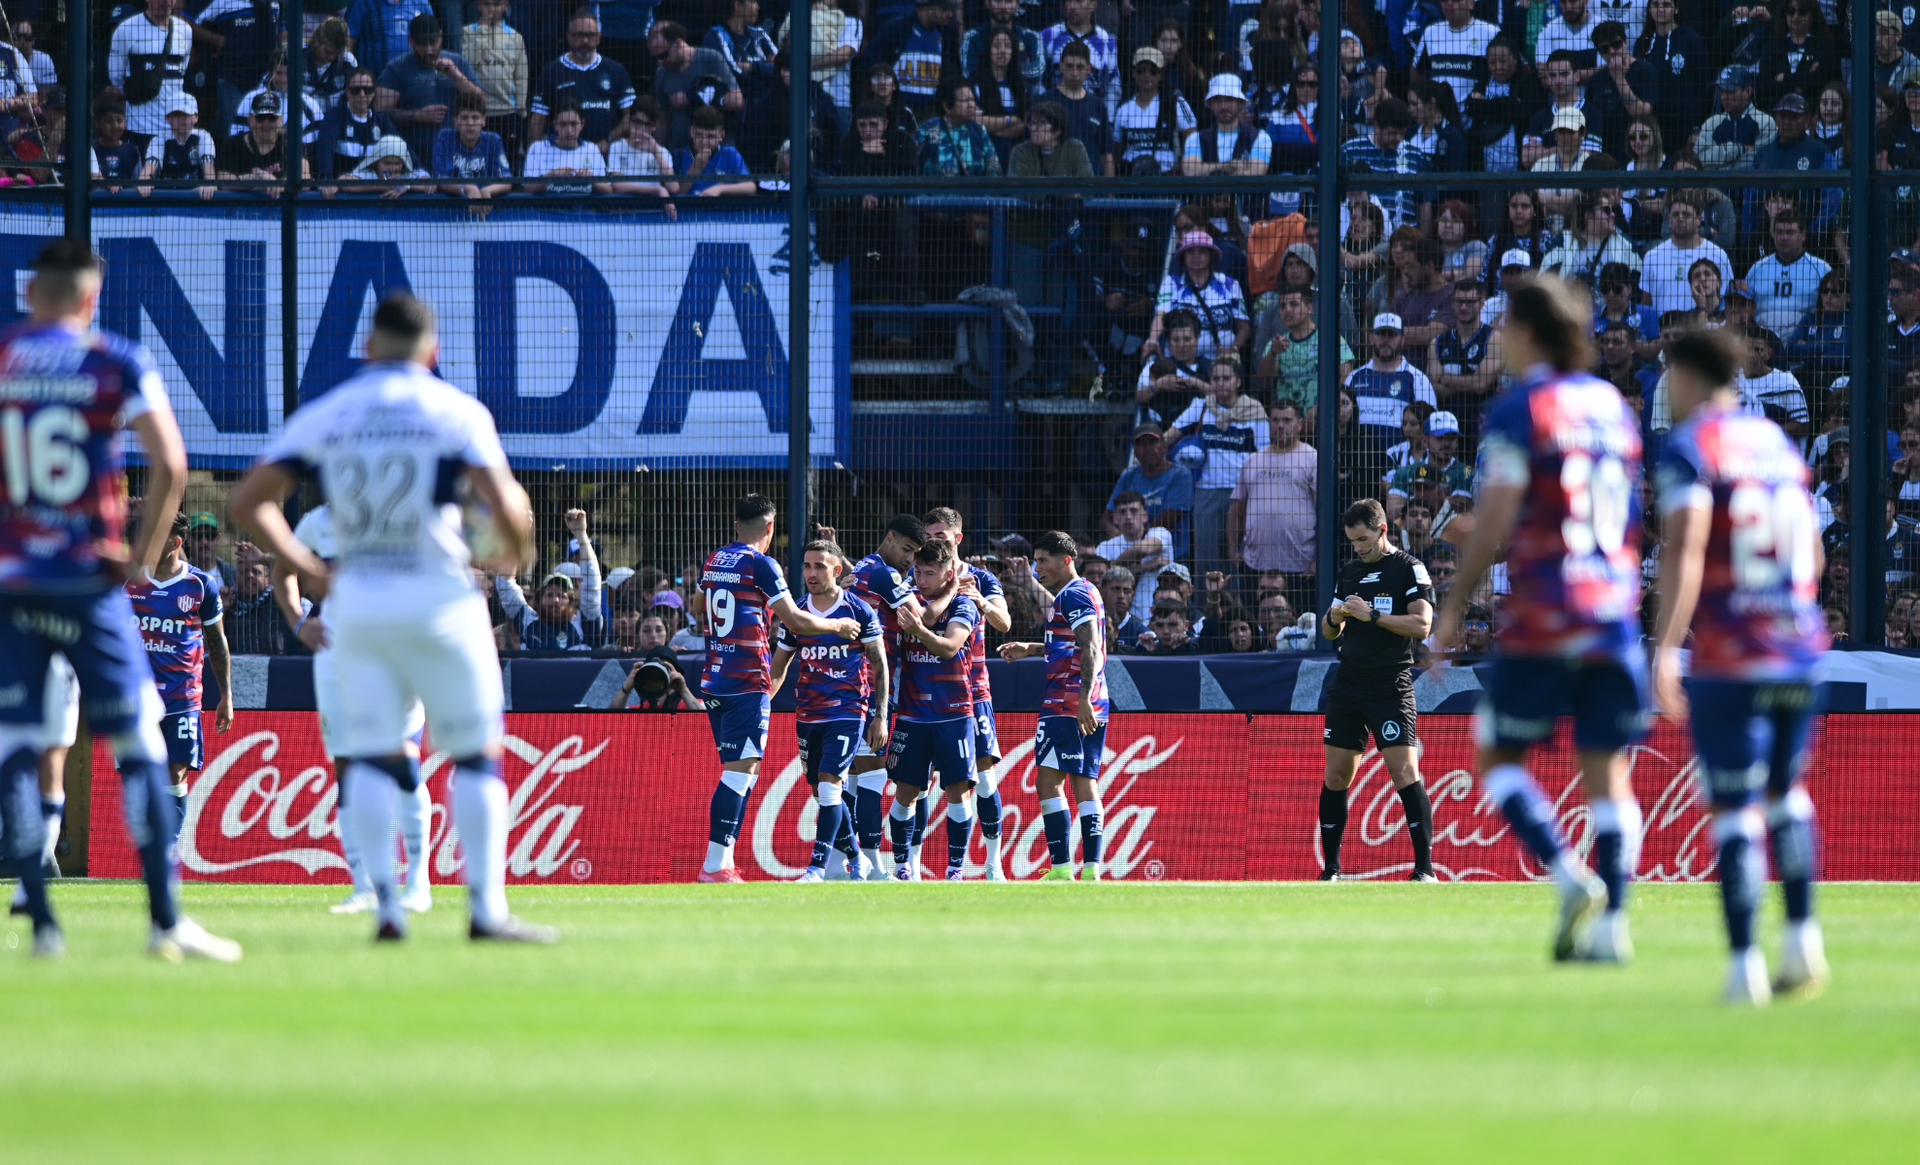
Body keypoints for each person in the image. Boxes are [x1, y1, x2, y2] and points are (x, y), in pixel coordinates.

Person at [231, 292, 552, 944]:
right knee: (476, 754)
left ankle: (384, 908)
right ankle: (486, 910)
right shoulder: (455, 410)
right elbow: (510, 510)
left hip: (358, 605)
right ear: (431, 350)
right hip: (438, 596)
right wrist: (512, 552)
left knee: (373, 759)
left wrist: (308, 567)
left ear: (369, 347)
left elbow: (249, 501)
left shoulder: (330, 412)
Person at [0, 240, 238, 960]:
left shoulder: (6, 356)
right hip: (88, 575)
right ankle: (165, 919)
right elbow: (170, 461)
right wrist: (137, 560)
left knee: (19, 738)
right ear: (89, 297)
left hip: (16, 579)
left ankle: (39, 921)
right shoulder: (114, 358)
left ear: (31, 290)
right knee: (140, 738)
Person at [1433, 275, 1647, 964]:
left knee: (1496, 753)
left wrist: (1452, 607)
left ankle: (1565, 872)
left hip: (1547, 612)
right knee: (1609, 774)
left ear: (1526, 332)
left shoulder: (1519, 405)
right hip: (1613, 610)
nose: (1497, 337)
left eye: (1502, 326)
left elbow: (1495, 514)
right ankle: (1614, 926)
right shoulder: (1612, 405)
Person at [1650, 327, 1830, 1003]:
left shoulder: (1692, 448)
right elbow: (1810, 554)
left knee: (1733, 808)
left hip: (1732, 655)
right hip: (1797, 647)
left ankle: (1743, 966)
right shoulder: (1778, 446)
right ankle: (1803, 939)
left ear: (1690, 377)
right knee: (1787, 795)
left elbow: (1686, 549)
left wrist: (1667, 645)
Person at [271, 503, 435, 916]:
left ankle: (418, 882)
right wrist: (297, 621)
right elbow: (282, 570)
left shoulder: (408, 509)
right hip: (336, 657)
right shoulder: (317, 521)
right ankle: (364, 885)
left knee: (403, 758)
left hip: (397, 651)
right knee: (347, 769)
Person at [1318, 498, 1437, 882]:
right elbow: (1329, 632)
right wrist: (1333, 618)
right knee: (1336, 776)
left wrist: (1372, 615)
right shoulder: (1350, 571)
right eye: (1352, 541)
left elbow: (1422, 626)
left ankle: (1424, 871)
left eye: (1364, 540)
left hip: (1390, 684)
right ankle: (1330, 871)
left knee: (1403, 770)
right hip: (1349, 683)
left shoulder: (1408, 568)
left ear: (1383, 531)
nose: (1358, 548)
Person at [768, 540, 887, 883]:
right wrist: (763, 703)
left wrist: (879, 716)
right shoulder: (796, 614)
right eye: (807, 566)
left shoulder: (859, 610)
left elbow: (880, 665)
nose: (811, 573)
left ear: (837, 570)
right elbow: (779, 668)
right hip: (808, 714)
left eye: (819, 566)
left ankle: (816, 869)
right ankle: (855, 857)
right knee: (821, 792)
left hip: (848, 711)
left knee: (831, 786)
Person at [996, 531, 1107, 880]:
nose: (1037, 567)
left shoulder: (1072, 595)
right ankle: (1091, 869)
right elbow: (1072, 645)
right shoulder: (1085, 591)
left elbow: (1090, 648)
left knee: (1049, 783)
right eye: (1036, 559)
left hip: (1068, 702)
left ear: (1066, 561)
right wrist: (1030, 648)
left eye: (1044, 560)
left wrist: (1082, 699)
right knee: (1085, 781)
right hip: (1090, 700)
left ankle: (1062, 868)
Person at [124, 508, 232, 843]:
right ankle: (150, 844)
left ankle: (166, 851)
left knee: (175, 773)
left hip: (182, 697)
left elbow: (217, 643)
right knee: (140, 777)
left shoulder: (200, 586)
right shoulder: (126, 582)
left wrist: (226, 695)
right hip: (135, 699)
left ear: (175, 542)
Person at [922, 508, 1013, 879]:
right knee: (919, 786)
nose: (934, 543)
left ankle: (993, 863)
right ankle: (912, 866)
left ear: (957, 539)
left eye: (942, 537)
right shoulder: (918, 576)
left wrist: (982, 601)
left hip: (972, 692)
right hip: (923, 694)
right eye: (930, 536)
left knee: (985, 781)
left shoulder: (980, 578)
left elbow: (1004, 623)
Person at [883, 538, 980, 881]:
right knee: (906, 792)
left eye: (929, 573)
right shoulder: (908, 601)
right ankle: (901, 867)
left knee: (957, 791)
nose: (921, 580)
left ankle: (955, 869)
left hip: (954, 713)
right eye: (917, 572)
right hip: (911, 715)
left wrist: (920, 631)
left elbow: (950, 647)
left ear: (948, 573)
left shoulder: (965, 605)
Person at [845, 515, 929, 878]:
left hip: (845, 684)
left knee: (846, 779)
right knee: (872, 775)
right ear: (890, 538)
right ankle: (871, 865)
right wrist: (951, 590)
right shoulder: (885, 574)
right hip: (870, 684)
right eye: (907, 549)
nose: (911, 559)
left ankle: (839, 863)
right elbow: (919, 617)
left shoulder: (863, 568)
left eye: (916, 553)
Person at [1166, 356, 1268, 582]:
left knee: (1240, 556)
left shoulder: (1255, 411)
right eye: (1216, 378)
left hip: (1243, 494)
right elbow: (1170, 436)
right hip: (1206, 491)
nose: (1221, 383)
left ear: (1238, 381)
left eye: (1226, 378)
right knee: (1206, 556)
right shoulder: (1200, 406)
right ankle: (1206, 610)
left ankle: (1237, 611)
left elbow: (1265, 455)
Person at [1229, 398, 1317, 603]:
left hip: (1300, 566)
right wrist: (1233, 551)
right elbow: (1237, 508)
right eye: (1275, 420)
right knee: (1256, 627)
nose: (1280, 425)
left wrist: (1317, 560)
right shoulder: (1253, 460)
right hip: (1256, 565)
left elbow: (1324, 512)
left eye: (1287, 420)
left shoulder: (1312, 458)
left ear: (1300, 424)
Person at [374, 14, 485, 167]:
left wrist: (456, 75)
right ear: (410, 41)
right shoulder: (397, 68)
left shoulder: (458, 62)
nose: (428, 50)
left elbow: (482, 102)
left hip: (456, 156)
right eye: (422, 44)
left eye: (432, 42)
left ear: (441, 37)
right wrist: (417, 116)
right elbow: (379, 113)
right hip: (413, 158)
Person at [528, 9, 636, 150]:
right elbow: (538, 120)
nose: (585, 41)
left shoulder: (616, 70)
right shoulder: (551, 71)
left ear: (599, 38)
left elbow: (631, 117)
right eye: (579, 35)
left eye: (590, 35)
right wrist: (532, 156)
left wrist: (607, 142)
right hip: (562, 152)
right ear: (568, 37)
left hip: (607, 152)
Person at [1147, 231, 1250, 363]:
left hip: (1219, 365)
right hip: (1179, 363)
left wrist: (1233, 350)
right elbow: (1160, 315)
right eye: (1190, 251)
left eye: (1202, 251)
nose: (1196, 255)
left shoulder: (1230, 284)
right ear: (1183, 256)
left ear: (1210, 256)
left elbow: (1244, 327)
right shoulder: (1171, 283)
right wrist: (1152, 339)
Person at [107, 0, 192, 151]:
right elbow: (116, 76)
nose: (166, 2)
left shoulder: (185, 30)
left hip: (173, 132)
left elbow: (182, 71)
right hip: (139, 128)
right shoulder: (126, 29)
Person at [648, 21, 742, 152]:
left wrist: (692, 96)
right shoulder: (661, 73)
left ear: (678, 43)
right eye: (656, 58)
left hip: (718, 150)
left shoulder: (710, 58)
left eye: (663, 55)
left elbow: (737, 100)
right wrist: (659, 151)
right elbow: (664, 119)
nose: (660, 62)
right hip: (680, 151)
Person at [1340, 96, 1425, 232]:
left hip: (1404, 238)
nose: (1398, 138)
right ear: (1377, 125)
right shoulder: (1350, 150)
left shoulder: (1415, 155)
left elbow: (1424, 203)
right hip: (1360, 236)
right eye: (1392, 133)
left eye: (1402, 133)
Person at [871, 0, 960, 122]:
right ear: (925, 8)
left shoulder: (945, 35)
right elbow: (870, 63)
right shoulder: (897, 28)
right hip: (897, 113)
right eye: (945, 10)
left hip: (930, 114)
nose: (950, 14)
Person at [1097, 487, 1176, 625]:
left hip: (1157, 620)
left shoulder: (1160, 533)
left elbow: (1143, 549)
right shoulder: (1105, 547)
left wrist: (1115, 566)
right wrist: (1145, 566)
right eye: (1122, 512)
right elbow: (1103, 579)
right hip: (1116, 622)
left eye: (1133, 511)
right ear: (1115, 519)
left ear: (1145, 516)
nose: (1128, 516)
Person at [1110, 46, 1194, 176]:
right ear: (1134, 73)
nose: (1146, 76)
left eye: (1153, 71)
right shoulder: (1123, 109)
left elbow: (1192, 139)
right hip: (1131, 181)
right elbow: (1116, 151)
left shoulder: (1176, 103)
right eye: (1141, 70)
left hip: (1166, 180)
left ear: (1161, 74)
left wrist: (1180, 166)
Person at [1643, 199, 1733, 317]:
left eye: (1687, 215)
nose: (1680, 219)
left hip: (1703, 331)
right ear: (1669, 220)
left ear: (1699, 220)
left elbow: (1726, 300)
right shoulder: (1652, 256)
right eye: (1675, 215)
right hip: (1664, 332)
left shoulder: (1718, 255)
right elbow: (1646, 305)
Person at [462, 0, 529, 156]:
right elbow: (469, 63)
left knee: (507, 161)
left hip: (507, 112)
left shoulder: (515, 37)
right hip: (476, 112)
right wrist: (483, 29)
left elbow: (521, 76)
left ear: (506, 6)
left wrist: (520, 107)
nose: (492, 9)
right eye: (486, 4)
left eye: (497, 4)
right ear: (478, 5)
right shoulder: (467, 32)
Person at [315, 67, 401, 184]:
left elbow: (402, 149)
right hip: (342, 188)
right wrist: (326, 181)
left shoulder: (382, 119)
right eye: (356, 90)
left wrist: (421, 173)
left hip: (375, 187)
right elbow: (324, 151)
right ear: (347, 91)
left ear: (374, 92)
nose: (362, 94)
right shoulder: (334, 116)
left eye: (367, 90)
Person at [1413, 0, 1500, 111]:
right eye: (1444, 0)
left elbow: (1516, 66)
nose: (1449, 3)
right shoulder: (1430, 33)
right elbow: (1416, 70)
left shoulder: (1491, 33)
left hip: (1477, 117)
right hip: (1439, 118)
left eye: (1456, 0)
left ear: (1471, 3)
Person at [215, 91, 307, 194]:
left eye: (272, 118)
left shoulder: (292, 142)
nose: (266, 124)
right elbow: (224, 181)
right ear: (250, 119)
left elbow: (305, 176)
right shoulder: (232, 144)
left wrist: (280, 185)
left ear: (280, 119)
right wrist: (258, 178)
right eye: (260, 118)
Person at [1039, 0, 1118, 115]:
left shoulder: (1107, 42)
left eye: (1078, 2)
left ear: (1093, 4)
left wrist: (1107, 119)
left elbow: (1113, 86)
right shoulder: (1048, 36)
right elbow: (1037, 81)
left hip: (1090, 117)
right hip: (1053, 115)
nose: (1072, 6)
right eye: (1068, 1)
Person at [434, 91, 514, 199]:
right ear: (455, 121)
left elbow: (506, 181)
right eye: (464, 117)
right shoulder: (445, 138)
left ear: (484, 120)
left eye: (475, 117)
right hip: (453, 207)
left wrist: (487, 191)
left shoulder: (493, 140)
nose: (470, 123)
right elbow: (441, 179)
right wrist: (468, 189)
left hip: (487, 206)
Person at [136, 93, 216, 200]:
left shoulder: (203, 137)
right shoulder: (159, 140)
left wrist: (209, 183)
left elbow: (208, 167)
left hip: (195, 198)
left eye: (187, 114)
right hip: (165, 199)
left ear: (196, 117)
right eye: (178, 115)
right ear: (167, 118)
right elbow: (150, 166)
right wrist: (144, 180)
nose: (183, 119)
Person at [1697, 65, 1777, 170]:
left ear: (1748, 91)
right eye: (1721, 91)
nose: (1723, 97)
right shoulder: (1711, 123)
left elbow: (1759, 161)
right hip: (1714, 186)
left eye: (1730, 91)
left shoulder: (1765, 122)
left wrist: (1719, 165)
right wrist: (1738, 150)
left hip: (1750, 185)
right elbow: (1698, 160)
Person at [523, 101, 613, 194]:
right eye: (563, 124)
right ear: (555, 125)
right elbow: (527, 189)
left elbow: (608, 190)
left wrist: (592, 179)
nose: (569, 130)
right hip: (548, 207)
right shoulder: (537, 148)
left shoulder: (592, 149)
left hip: (583, 207)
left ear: (582, 124)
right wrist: (551, 175)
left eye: (574, 124)